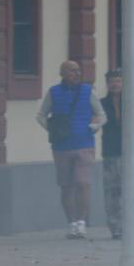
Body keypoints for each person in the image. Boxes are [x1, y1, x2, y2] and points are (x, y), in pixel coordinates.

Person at [36, 59, 106, 239]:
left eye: (78, 70)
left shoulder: (88, 91)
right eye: (71, 71)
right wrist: (51, 129)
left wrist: (95, 126)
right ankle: (71, 223)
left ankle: (82, 223)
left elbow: (100, 114)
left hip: (84, 144)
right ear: (62, 74)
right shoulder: (53, 92)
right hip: (61, 147)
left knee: (83, 184)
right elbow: (41, 115)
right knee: (66, 186)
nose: (76, 74)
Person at [99, 69, 134, 239]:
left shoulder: (133, 102)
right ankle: (115, 227)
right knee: (112, 191)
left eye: (118, 81)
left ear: (124, 83)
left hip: (131, 153)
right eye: (112, 81)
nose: (115, 84)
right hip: (110, 152)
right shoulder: (101, 103)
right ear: (107, 84)